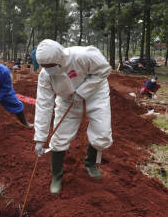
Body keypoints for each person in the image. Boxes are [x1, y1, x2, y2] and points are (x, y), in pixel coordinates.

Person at [34, 39, 113, 194]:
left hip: (95, 94)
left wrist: (83, 91)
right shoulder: (45, 76)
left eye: (51, 66)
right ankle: (57, 175)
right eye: (45, 67)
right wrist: (40, 137)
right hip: (66, 99)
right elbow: (44, 105)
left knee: (102, 134)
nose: (49, 70)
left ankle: (90, 163)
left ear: (60, 58)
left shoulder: (83, 56)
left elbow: (104, 70)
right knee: (59, 137)